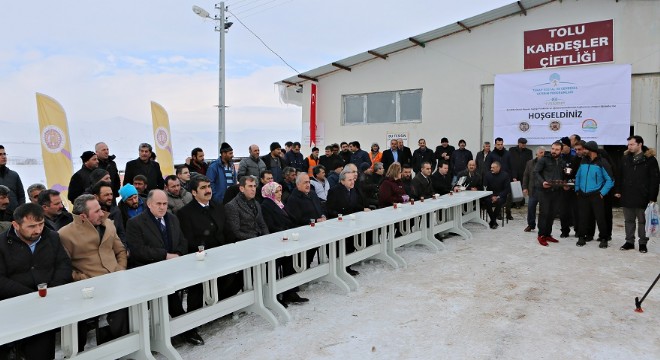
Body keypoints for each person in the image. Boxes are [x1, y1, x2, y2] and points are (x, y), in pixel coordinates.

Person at [125, 190, 203, 345]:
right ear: (148, 204)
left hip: (175, 265)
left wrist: (179, 254)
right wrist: (165, 256)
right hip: (151, 269)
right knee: (169, 293)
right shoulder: (135, 223)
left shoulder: (172, 218)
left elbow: (182, 240)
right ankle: (188, 330)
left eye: (165, 204)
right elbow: (138, 250)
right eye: (158, 204)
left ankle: (192, 321)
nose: (162, 207)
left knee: (198, 283)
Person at [0, 203, 72, 359]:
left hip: (49, 301)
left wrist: (51, 290)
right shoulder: (2, 244)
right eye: (31, 226)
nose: (38, 230)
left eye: (41, 224)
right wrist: (32, 295)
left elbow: (64, 265)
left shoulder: (52, 236)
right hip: (15, 304)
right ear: (15, 225)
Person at [58, 194, 128, 351]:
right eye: (96, 211)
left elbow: (120, 251)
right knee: (115, 312)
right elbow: (64, 267)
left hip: (116, 279)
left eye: (100, 209)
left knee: (135, 305)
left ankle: (125, 348)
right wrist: (83, 279)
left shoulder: (108, 224)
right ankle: (111, 350)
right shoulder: (65, 234)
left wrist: (121, 269)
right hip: (89, 287)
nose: (102, 213)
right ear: (83, 216)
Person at [177, 175, 242, 305]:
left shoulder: (218, 207)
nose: (208, 190)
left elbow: (228, 231)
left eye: (209, 186)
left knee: (243, 273)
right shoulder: (185, 213)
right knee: (198, 290)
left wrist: (234, 247)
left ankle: (222, 305)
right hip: (201, 260)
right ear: (194, 192)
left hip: (223, 255)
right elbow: (189, 241)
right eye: (203, 188)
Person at [259, 182, 309, 305]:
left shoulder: (279, 204)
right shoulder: (266, 205)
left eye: (280, 191)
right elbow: (270, 225)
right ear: (270, 193)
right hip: (276, 241)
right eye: (276, 191)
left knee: (290, 263)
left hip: (286, 237)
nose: (280, 194)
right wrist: (285, 231)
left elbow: (290, 218)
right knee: (277, 266)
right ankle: (276, 295)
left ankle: (289, 291)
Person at [615, 135, 659, 254]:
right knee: (628, 220)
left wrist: (652, 197)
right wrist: (618, 190)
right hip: (627, 194)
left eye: (632, 144)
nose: (629, 147)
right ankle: (629, 241)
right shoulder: (625, 158)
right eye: (628, 144)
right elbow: (619, 175)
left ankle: (643, 243)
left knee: (642, 222)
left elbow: (655, 180)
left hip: (643, 196)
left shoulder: (650, 159)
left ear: (640, 144)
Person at [326, 171, 370, 276]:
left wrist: (363, 209)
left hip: (350, 223)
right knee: (343, 245)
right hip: (337, 224)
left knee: (351, 244)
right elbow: (329, 209)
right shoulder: (334, 191)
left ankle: (347, 266)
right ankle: (339, 267)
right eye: (349, 180)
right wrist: (341, 216)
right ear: (342, 181)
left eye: (353, 179)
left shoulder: (353, 190)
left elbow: (354, 206)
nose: (352, 182)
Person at [574, 141, 614, 248]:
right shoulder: (583, 161)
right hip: (583, 194)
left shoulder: (602, 162)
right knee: (582, 217)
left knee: (600, 218)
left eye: (585, 149)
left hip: (596, 195)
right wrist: (577, 189)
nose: (583, 151)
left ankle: (604, 239)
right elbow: (578, 176)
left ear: (591, 150)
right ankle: (581, 237)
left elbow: (610, 180)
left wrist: (602, 193)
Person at [285, 173, 327, 267]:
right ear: (298, 184)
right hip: (304, 231)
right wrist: (315, 220)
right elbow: (297, 219)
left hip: (319, 228)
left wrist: (323, 215)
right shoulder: (293, 199)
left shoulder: (312, 193)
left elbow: (320, 207)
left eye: (308, 182)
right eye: (305, 183)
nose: (308, 185)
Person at [533, 142, 565, 246]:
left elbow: (563, 175)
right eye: (553, 149)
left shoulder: (561, 161)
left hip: (557, 192)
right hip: (544, 191)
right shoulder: (544, 159)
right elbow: (536, 172)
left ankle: (548, 234)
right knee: (544, 213)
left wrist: (565, 183)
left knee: (552, 214)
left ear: (561, 150)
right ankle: (541, 235)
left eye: (556, 149)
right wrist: (543, 182)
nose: (554, 151)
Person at [225, 176, 269, 241]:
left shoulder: (256, 203)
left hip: (260, 239)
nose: (253, 189)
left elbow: (262, 224)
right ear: (242, 189)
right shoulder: (232, 206)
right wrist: (256, 238)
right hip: (245, 243)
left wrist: (267, 237)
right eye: (250, 186)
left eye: (254, 186)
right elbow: (236, 232)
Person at [485, 137, 514, 220]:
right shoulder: (491, 155)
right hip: (496, 178)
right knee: (499, 196)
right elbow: (487, 167)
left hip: (507, 178)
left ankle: (508, 213)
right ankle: (499, 214)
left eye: (501, 144)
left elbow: (512, 166)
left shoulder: (508, 153)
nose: (500, 146)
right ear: (495, 144)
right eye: (498, 144)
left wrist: (513, 177)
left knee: (508, 196)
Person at [92, 181, 126, 247]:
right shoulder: (90, 214)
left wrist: (124, 249)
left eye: (111, 194)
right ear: (96, 197)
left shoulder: (116, 211)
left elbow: (121, 233)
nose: (110, 197)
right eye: (106, 195)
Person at [522, 147, 545, 232]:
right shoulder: (530, 163)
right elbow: (526, 176)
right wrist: (524, 187)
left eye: (544, 153)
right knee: (531, 207)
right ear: (537, 154)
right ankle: (531, 225)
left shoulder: (547, 163)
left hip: (543, 190)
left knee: (543, 210)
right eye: (541, 153)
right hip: (533, 190)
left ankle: (542, 226)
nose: (543, 154)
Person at [483, 162, 510, 229]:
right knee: (487, 201)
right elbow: (485, 187)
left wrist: (498, 197)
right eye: (491, 167)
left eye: (493, 168)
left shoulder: (505, 175)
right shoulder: (487, 175)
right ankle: (494, 221)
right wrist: (491, 196)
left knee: (499, 202)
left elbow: (507, 189)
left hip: (500, 196)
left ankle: (492, 221)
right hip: (489, 195)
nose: (491, 169)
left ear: (498, 168)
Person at [0, 145, 26, 212]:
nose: (3, 157)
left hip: (13, 216)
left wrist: (21, 212)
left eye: (4, 154)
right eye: (0, 154)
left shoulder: (14, 175)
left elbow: (21, 196)